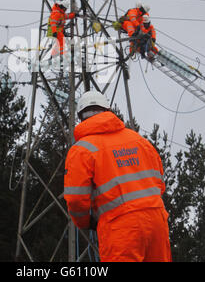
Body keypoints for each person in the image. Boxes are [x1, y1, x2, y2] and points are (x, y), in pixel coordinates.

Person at [64, 91, 171, 262]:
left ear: (81, 116)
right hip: (157, 221)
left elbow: (76, 199)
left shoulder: (81, 150)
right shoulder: (140, 141)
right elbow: (159, 182)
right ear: (108, 110)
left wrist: (84, 222)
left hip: (121, 227)